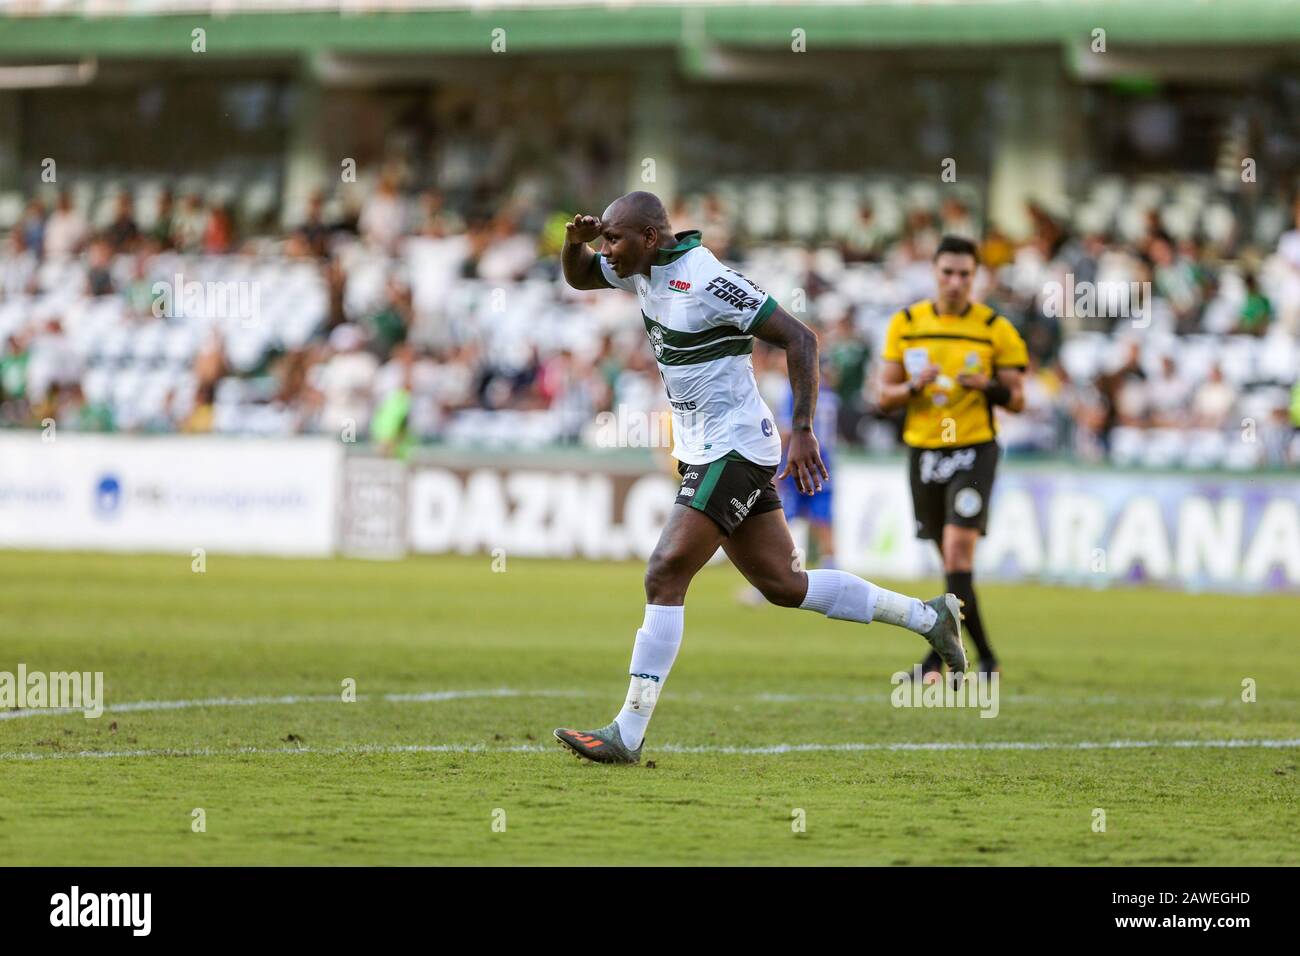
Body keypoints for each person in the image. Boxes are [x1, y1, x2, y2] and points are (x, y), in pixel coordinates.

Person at [552, 191, 967, 765]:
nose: (607, 252)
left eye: (614, 241)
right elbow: (579, 279)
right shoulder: (639, 269)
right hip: (704, 451)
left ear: (650, 237)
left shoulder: (707, 280)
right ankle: (929, 617)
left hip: (737, 449)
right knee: (785, 586)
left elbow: (801, 338)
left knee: (664, 572)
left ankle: (628, 731)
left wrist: (804, 429)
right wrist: (575, 243)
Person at [877, 235, 1028, 680]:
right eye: (948, 272)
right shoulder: (906, 323)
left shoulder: (994, 328)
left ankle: (950, 662)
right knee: (950, 561)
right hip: (924, 450)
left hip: (974, 449)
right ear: (935, 273)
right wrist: (912, 388)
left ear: (975, 277)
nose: (956, 281)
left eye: (965, 274)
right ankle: (978, 661)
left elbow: (1018, 399)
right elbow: (883, 395)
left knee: (959, 551)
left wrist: (989, 387)